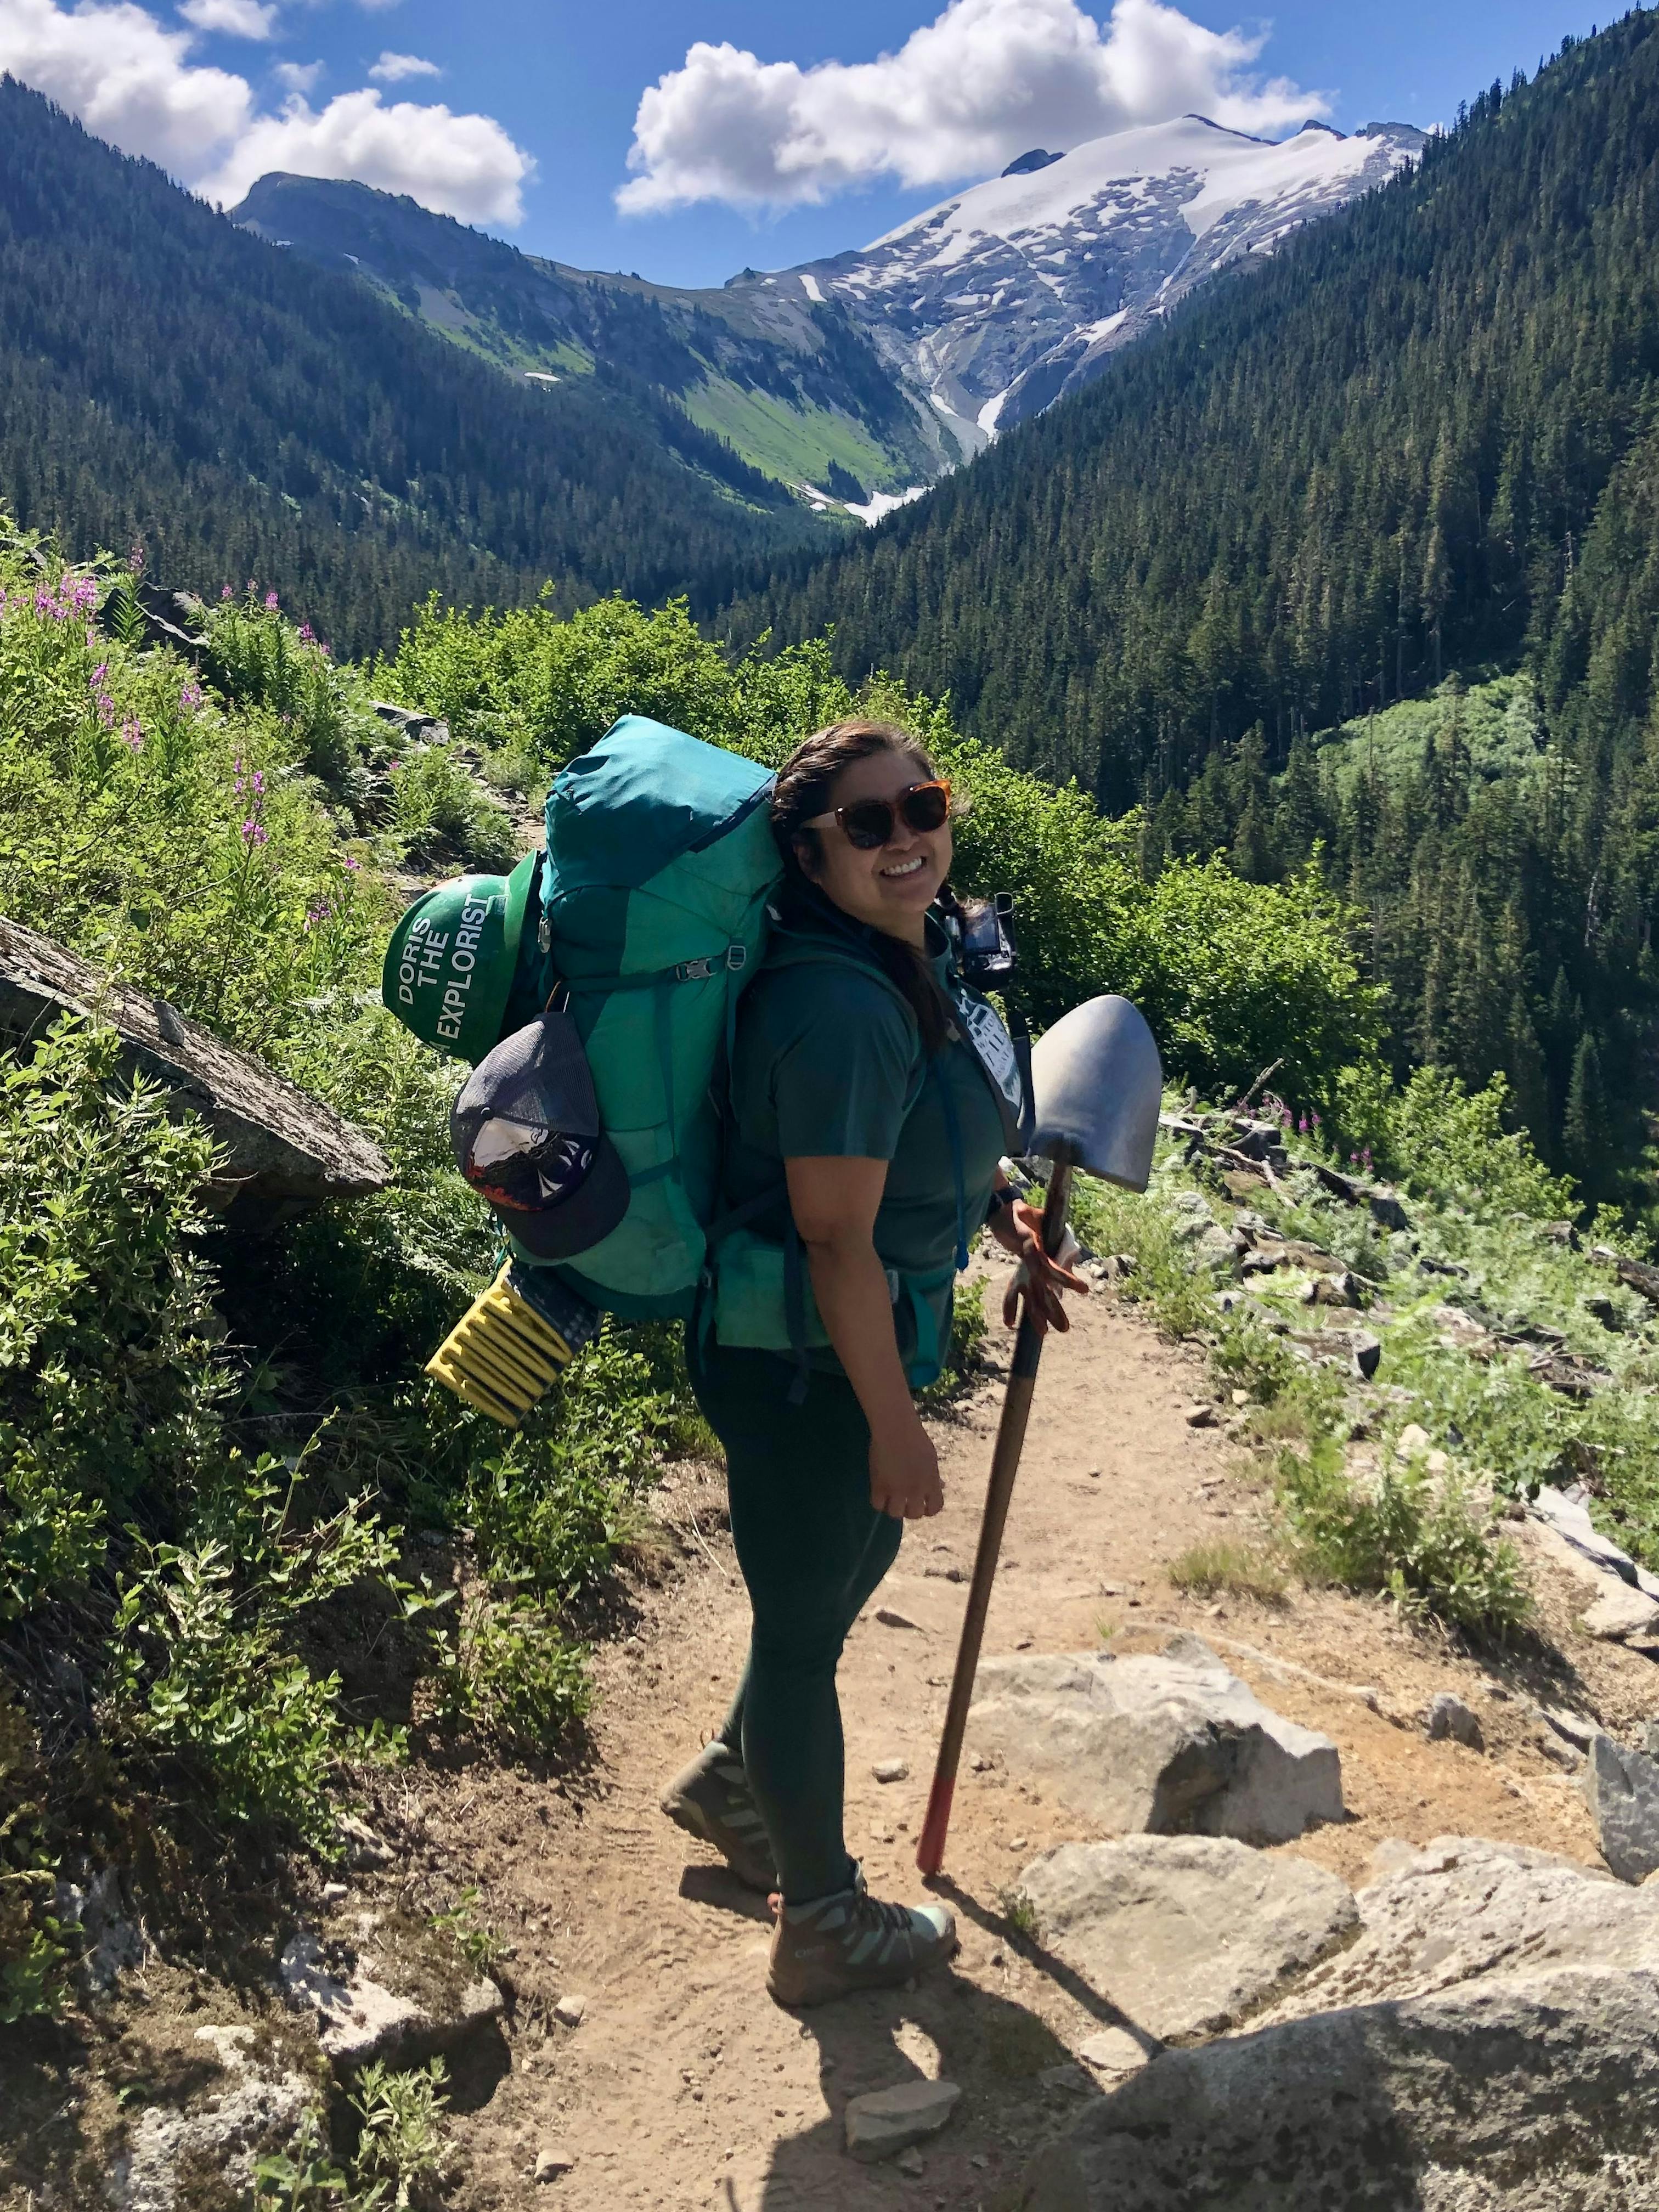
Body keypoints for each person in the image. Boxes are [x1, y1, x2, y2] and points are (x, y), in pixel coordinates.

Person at [659, 719, 1089, 2007]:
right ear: (807, 852)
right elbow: (836, 1236)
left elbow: (931, 1133)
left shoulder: (913, 953)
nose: (906, 837)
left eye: (922, 805)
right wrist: (899, 1430)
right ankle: (824, 1922)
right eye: (867, 823)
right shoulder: (837, 1005)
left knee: (856, 1559)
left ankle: (740, 1785)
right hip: (798, 1361)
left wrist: (1000, 1212)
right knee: (801, 1632)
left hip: (845, 1345)